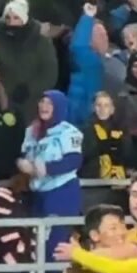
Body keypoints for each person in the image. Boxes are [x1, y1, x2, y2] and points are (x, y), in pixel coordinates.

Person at [19, 90, 83, 262]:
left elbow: (74, 160)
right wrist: (23, 165)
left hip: (62, 193)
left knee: (55, 243)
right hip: (37, 194)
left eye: (50, 103)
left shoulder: (68, 131)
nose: (44, 106)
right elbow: (25, 154)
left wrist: (47, 168)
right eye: (42, 102)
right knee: (35, 242)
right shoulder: (31, 131)